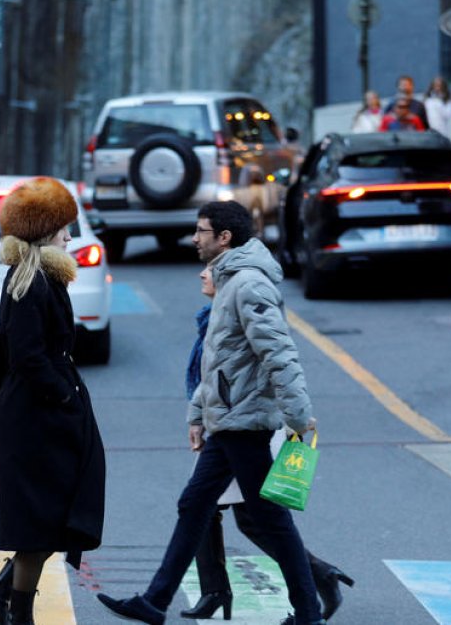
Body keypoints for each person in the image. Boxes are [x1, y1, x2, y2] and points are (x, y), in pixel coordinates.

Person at [98, 201, 323, 625]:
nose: (194, 238)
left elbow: (279, 352)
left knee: (270, 520)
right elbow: (219, 359)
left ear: (224, 237)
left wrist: (298, 414)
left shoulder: (248, 285)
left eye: (201, 231)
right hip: (228, 419)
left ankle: (309, 613)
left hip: (246, 420)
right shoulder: (230, 280)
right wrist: (198, 414)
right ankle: (155, 601)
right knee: (195, 504)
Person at [0, 177, 106, 625]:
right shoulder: (30, 282)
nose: (70, 236)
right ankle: (14, 612)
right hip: (35, 419)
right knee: (41, 523)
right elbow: (28, 356)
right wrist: (64, 395)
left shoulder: (43, 277)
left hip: (46, 415)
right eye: (64, 228)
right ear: (45, 231)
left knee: (53, 517)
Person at [183, 265, 352, 621]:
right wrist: (197, 417)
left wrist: (296, 415)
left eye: (210, 269)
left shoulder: (240, 313)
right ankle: (314, 578)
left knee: (215, 509)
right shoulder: (212, 317)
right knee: (224, 511)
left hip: (246, 428)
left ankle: (223, 591)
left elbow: (275, 363)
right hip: (224, 425)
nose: (202, 274)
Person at [424, 76, 451, 142]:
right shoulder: (428, 100)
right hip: (430, 134)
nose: (437, 88)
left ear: (443, 87)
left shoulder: (448, 102)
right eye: (435, 85)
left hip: (444, 134)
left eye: (439, 85)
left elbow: (448, 117)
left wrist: (439, 100)